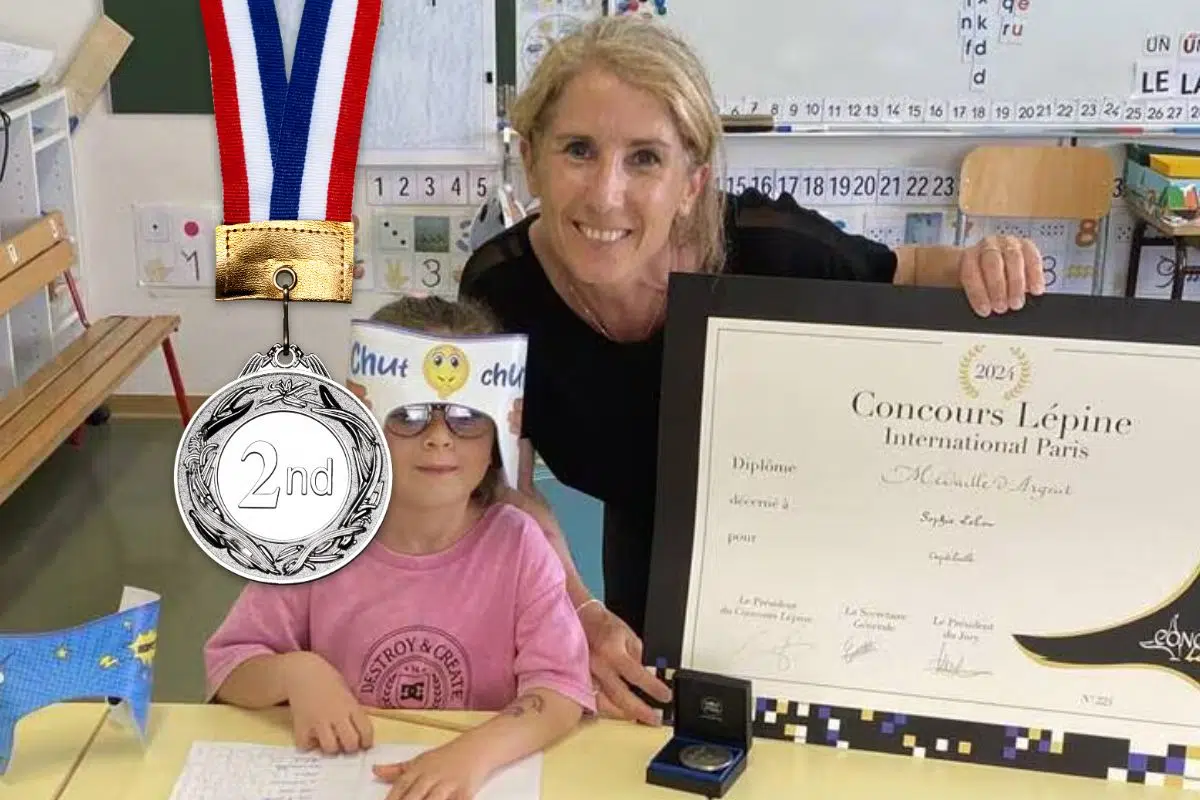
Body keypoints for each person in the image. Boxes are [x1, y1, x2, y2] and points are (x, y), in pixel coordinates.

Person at [458, 16, 1045, 727]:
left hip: (798, 531)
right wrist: (579, 611)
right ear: (531, 161)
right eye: (578, 150)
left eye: (645, 158)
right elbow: (504, 485)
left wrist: (990, 263)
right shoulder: (499, 291)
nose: (606, 194)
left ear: (692, 183)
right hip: (645, 528)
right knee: (652, 721)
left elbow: (914, 269)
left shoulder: (768, 250)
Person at [203, 296, 595, 800]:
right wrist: (296, 673)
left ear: (498, 433)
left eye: (465, 416)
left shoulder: (520, 547)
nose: (439, 438)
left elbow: (559, 688)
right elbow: (229, 669)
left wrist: (472, 754)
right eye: (408, 415)